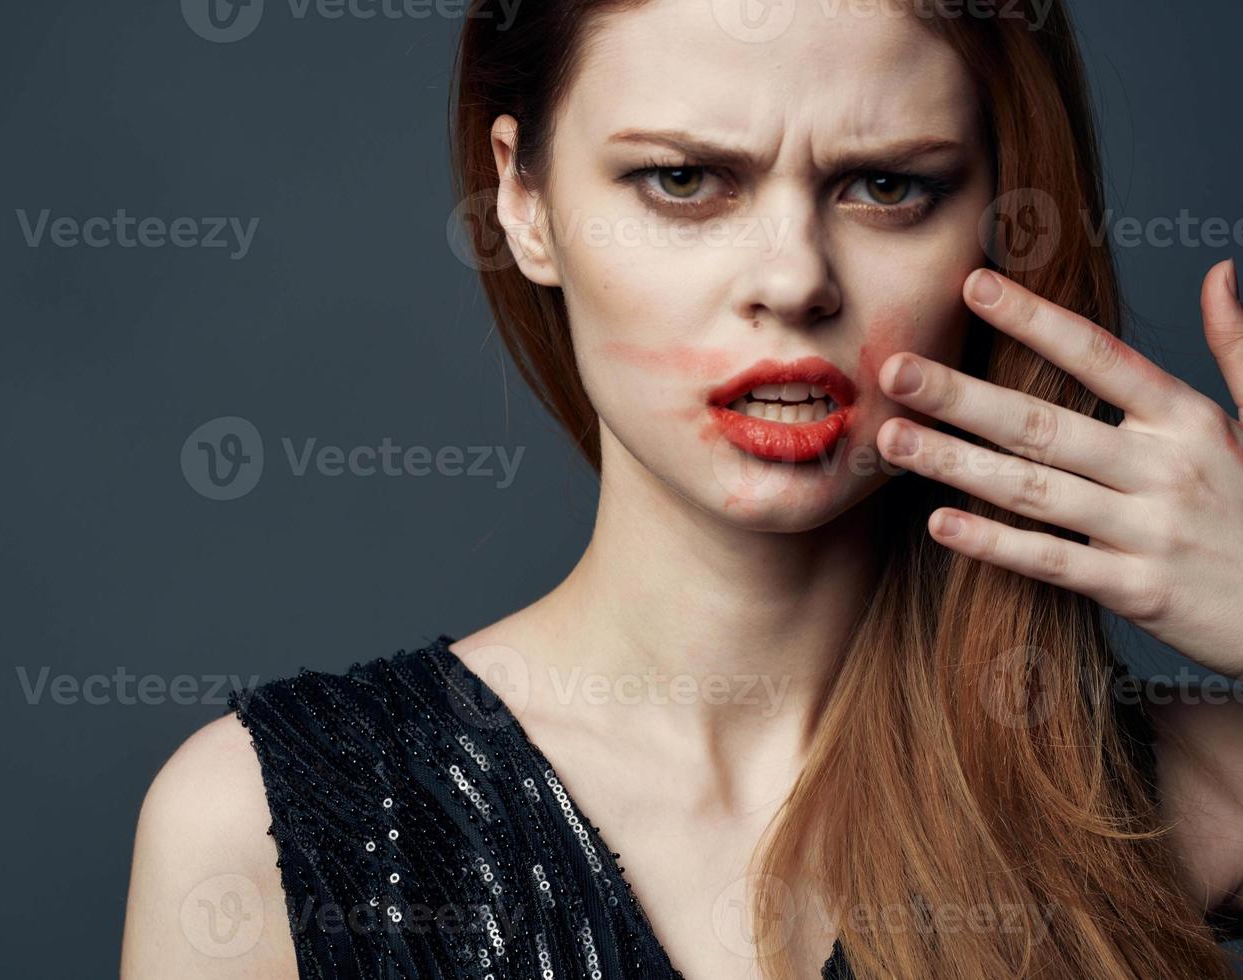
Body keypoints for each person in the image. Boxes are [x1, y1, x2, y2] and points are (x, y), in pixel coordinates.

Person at [120, 0, 1243, 976]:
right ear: (521, 197)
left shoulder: (1193, 804)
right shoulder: (263, 833)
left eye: (886, 185)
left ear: (1001, 212)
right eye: (683, 179)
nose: (792, 278)